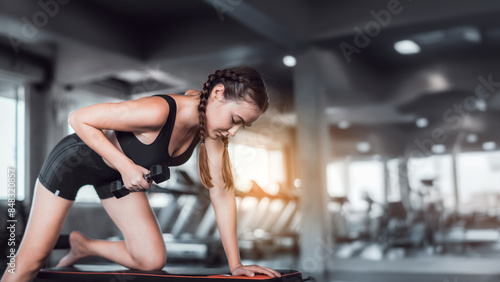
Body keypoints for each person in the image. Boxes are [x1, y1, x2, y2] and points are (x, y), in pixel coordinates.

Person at [1, 67, 282, 281]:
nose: (233, 132)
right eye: (234, 120)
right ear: (218, 94)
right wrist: (125, 166)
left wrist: (236, 265)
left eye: (241, 126)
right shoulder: (159, 111)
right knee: (30, 261)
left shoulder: (211, 131)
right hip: (73, 162)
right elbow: (78, 118)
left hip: (112, 177)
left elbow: (221, 191)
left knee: (151, 259)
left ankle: (84, 245)